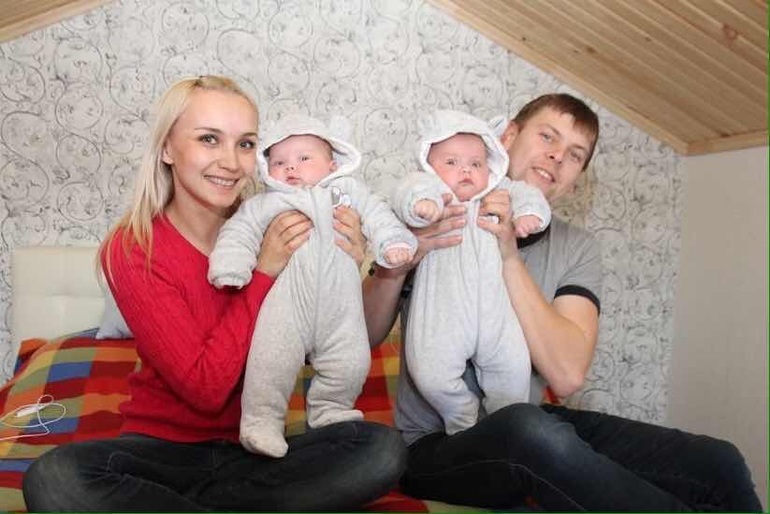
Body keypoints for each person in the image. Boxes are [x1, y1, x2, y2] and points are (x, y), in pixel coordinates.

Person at [22, 75, 406, 512]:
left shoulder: (280, 223)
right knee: (55, 478)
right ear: (167, 148)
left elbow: (354, 338)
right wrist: (263, 272)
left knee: (381, 449)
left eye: (245, 144)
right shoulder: (135, 249)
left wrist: (365, 270)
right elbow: (205, 389)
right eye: (209, 139)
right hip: (160, 453)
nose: (230, 161)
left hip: (257, 451)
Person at [363, 94, 762, 511]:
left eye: (575, 155)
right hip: (435, 444)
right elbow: (369, 333)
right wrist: (403, 261)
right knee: (530, 430)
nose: (557, 157)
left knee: (719, 461)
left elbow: (567, 374)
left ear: (576, 178)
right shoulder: (433, 211)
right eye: (548, 137)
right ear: (507, 137)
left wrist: (509, 255)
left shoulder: (577, 248)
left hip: (529, 422)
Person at [208, 114, 416, 458]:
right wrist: (231, 264)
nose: (291, 167)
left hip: (341, 309)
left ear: (333, 165)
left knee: (351, 363)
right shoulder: (268, 203)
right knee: (269, 361)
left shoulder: (347, 194)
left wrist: (392, 242)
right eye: (279, 162)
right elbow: (239, 231)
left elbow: (378, 214)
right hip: (286, 307)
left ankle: (331, 412)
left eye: (304, 158)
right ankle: (261, 421)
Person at [389, 109, 550, 435]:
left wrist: (530, 213)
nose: (465, 170)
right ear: (428, 165)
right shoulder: (430, 190)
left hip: (495, 313)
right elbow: (404, 191)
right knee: (430, 372)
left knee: (514, 369)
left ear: (490, 167)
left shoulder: (498, 192)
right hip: (443, 313)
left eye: (476, 164)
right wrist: (419, 204)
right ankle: (461, 413)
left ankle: (504, 426)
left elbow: (527, 194)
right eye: (451, 162)